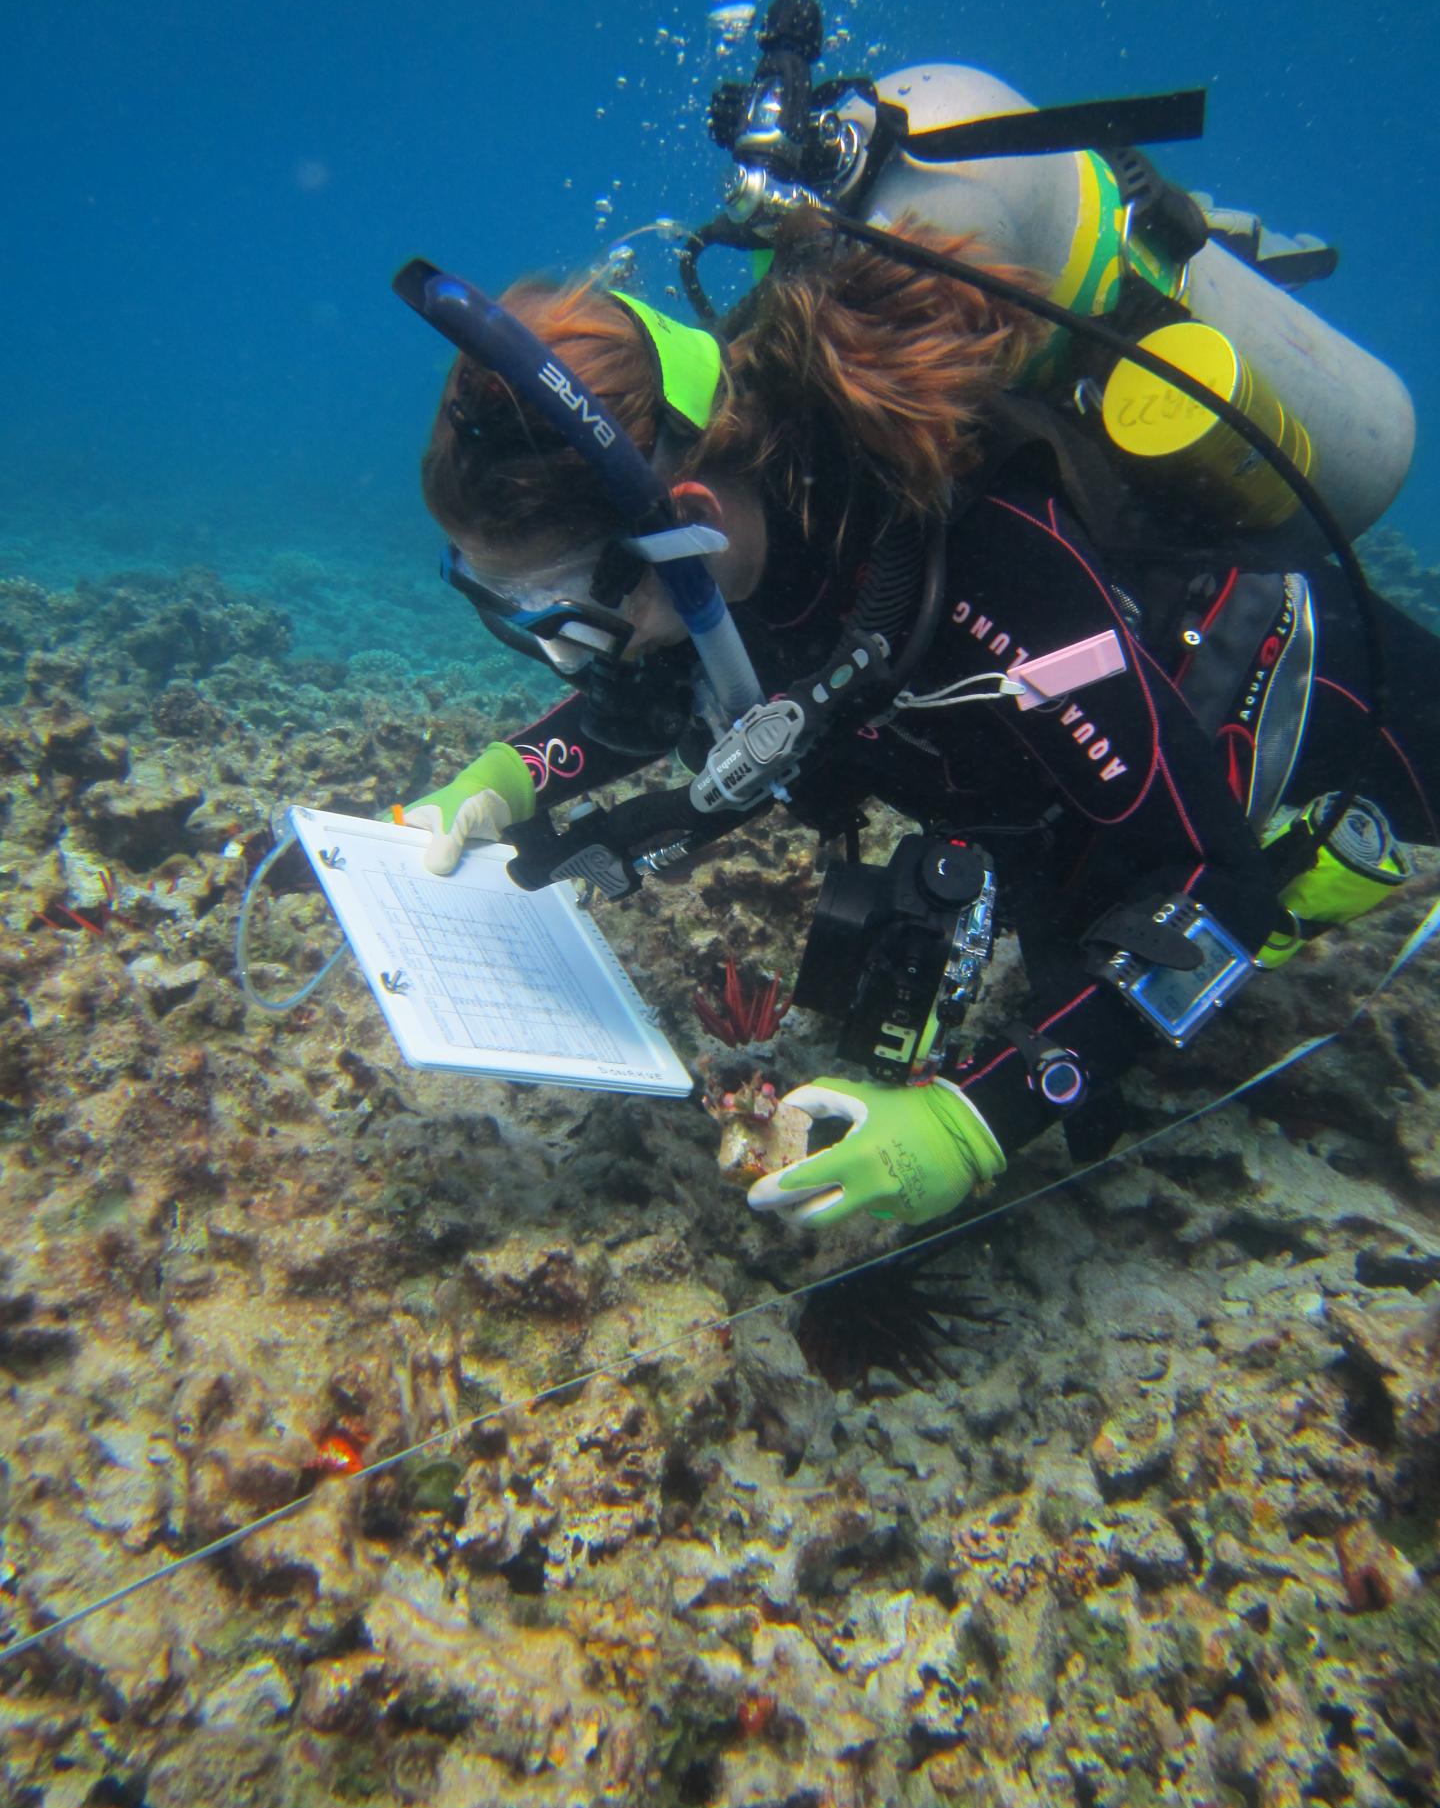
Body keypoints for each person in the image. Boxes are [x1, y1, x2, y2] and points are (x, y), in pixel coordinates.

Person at [402, 216, 1438, 1233]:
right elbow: (649, 696)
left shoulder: (985, 557)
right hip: (1045, 815)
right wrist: (506, 776)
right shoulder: (722, 565)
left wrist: (982, 1117)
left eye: (567, 596)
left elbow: (1219, 882)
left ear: (692, 519)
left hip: (1326, 707)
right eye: (510, 603)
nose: (564, 649)